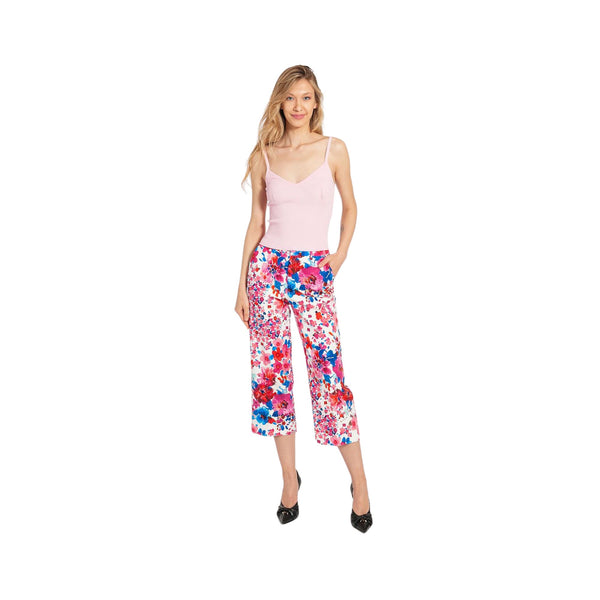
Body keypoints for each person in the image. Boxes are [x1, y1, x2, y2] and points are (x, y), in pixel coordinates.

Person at [235, 65, 373, 533]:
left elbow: (351, 206)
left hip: (314, 271)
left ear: (316, 102)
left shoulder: (334, 149)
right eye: (291, 97)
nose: (298, 105)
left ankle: (360, 484)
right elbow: (256, 223)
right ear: (280, 101)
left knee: (329, 378)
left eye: (306, 97)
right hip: (267, 271)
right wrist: (241, 286)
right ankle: (289, 481)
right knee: (272, 381)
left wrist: (339, 255)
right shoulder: (264, 154)